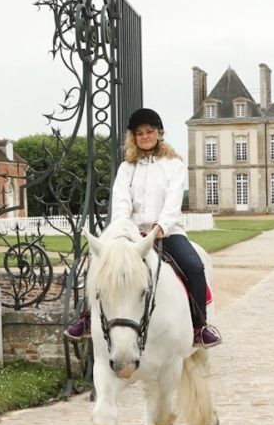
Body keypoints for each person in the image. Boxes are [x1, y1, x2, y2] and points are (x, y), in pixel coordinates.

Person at [65, 108, 222, 348]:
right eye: (139, 133)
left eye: (149, 131)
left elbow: (173, 199)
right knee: (99, 262)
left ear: (159, 133)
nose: (145, 136)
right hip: (132, 232)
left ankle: (199, 326)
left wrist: (161, 226)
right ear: (134, 137)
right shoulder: (127, 167)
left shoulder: (173, 164)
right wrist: (122, 224)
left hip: (167, 232)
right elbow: (120, 199)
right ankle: (86, 317)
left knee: (194, 266)